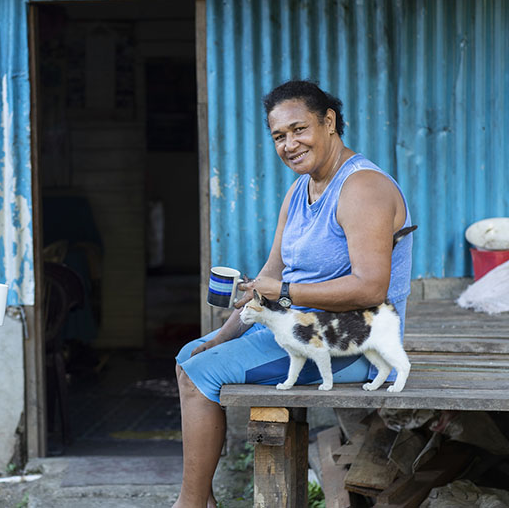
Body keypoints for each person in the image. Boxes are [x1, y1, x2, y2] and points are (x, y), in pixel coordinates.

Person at [172, 80, 413, 508]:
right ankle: (202, 500)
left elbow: (370, 286)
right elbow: (270, 272)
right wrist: (221, 336)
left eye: (299, 129)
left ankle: (188, 505)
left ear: (330, 122)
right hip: (297, 327)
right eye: (279, 136)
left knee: (198, 375)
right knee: (191, 355)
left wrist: (283, 292)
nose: (289, 144)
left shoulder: (362, 188)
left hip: (348, 343)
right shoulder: (301, 190)